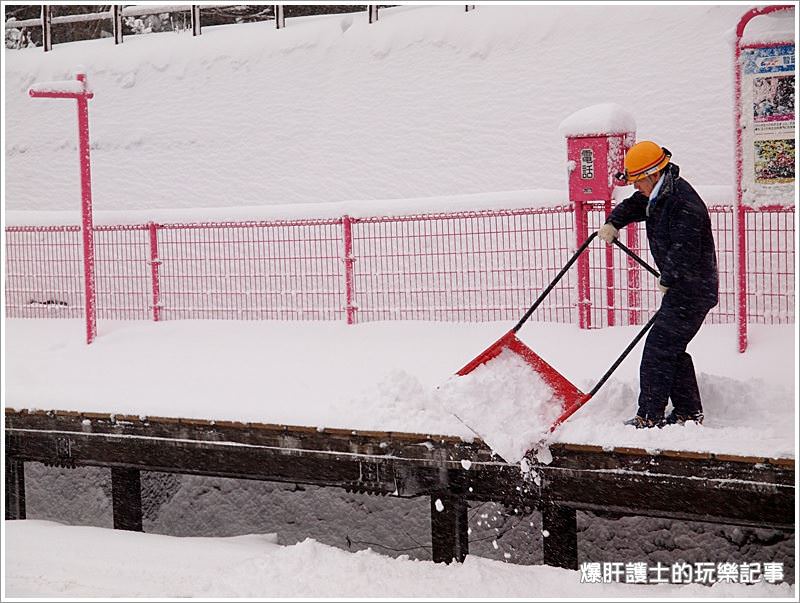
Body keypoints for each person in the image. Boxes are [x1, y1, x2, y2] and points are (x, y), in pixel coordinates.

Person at [597, 141, 719, 428]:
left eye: (639, 181)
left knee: (657, 350)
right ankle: (688, 412)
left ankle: (649, 416)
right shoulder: (660, 193)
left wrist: (669, 277)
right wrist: (614, 222)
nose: (636, 187)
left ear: (653, 174)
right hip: (686, 288)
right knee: (670, 348)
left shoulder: (683, 202)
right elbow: (638, 204)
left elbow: (685, 248)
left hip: (692, 289)